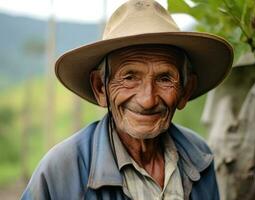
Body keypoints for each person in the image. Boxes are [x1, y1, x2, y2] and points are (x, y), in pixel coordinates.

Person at [21, 0, 233, 199]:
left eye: (165, 78)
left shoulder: (198, 157)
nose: (147, 100)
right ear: (100, 88)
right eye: (130, 77)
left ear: (185, 91)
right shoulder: (60, 172)